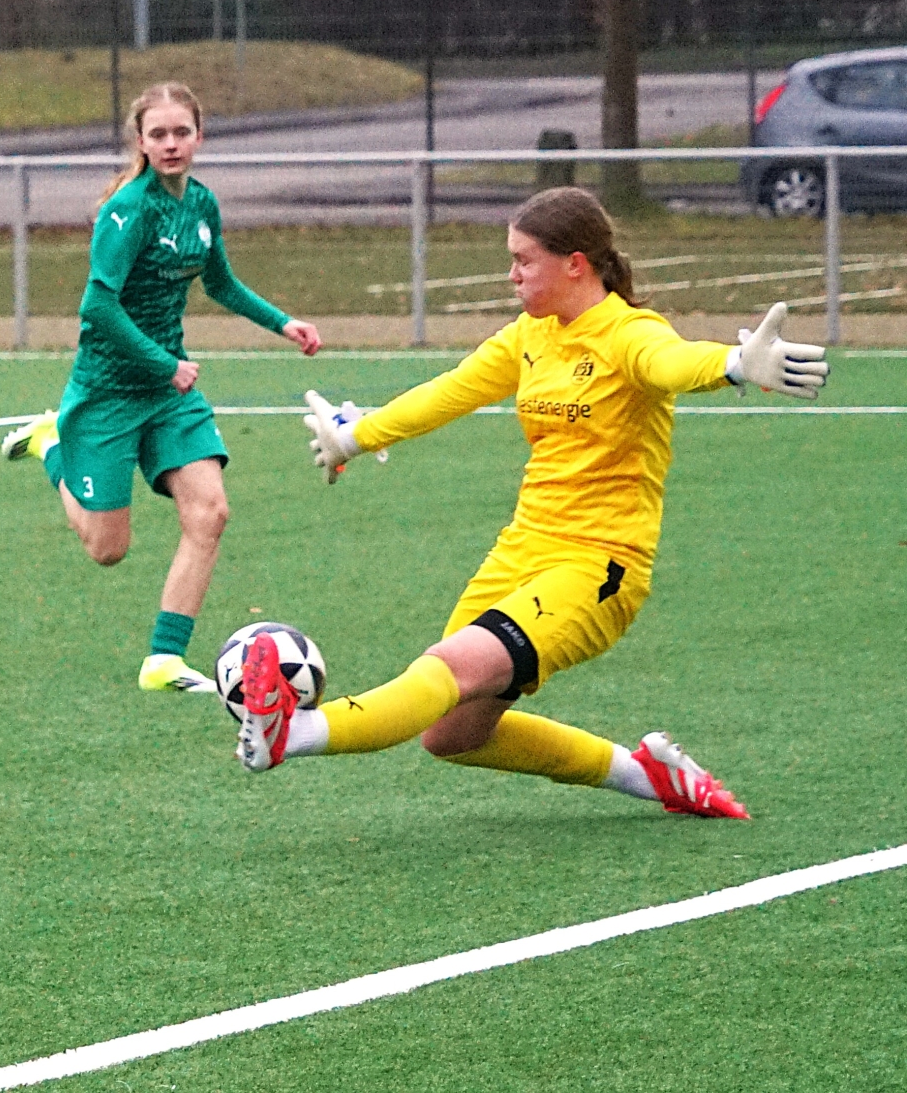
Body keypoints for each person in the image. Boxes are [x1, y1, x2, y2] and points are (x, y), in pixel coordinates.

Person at [237, 186, 831, 820]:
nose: (512, 274)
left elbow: (672, 363)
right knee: (451, 735)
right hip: (521, 551)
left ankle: (295, 732)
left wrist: (736, 362)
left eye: (524, 260)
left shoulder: (629, 332)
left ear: (575, 263)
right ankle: (647, 775)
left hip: (598, 567)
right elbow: (452, 391)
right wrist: (355, 437)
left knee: (450, 667)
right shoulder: (532, 334)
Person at [0, 82, 322, 694]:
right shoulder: (128, 211)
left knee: (210, 513)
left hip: (169, 393)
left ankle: (164, 661)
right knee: (107, 549)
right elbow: (97, 306)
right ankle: (51, 445)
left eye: (181, 132)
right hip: (110, 389)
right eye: (158, 134)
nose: (171, 144)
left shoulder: (201, 204)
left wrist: (284, 323)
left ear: (200, 136)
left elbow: (220, 283)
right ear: (140, 142)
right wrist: (162, 363)